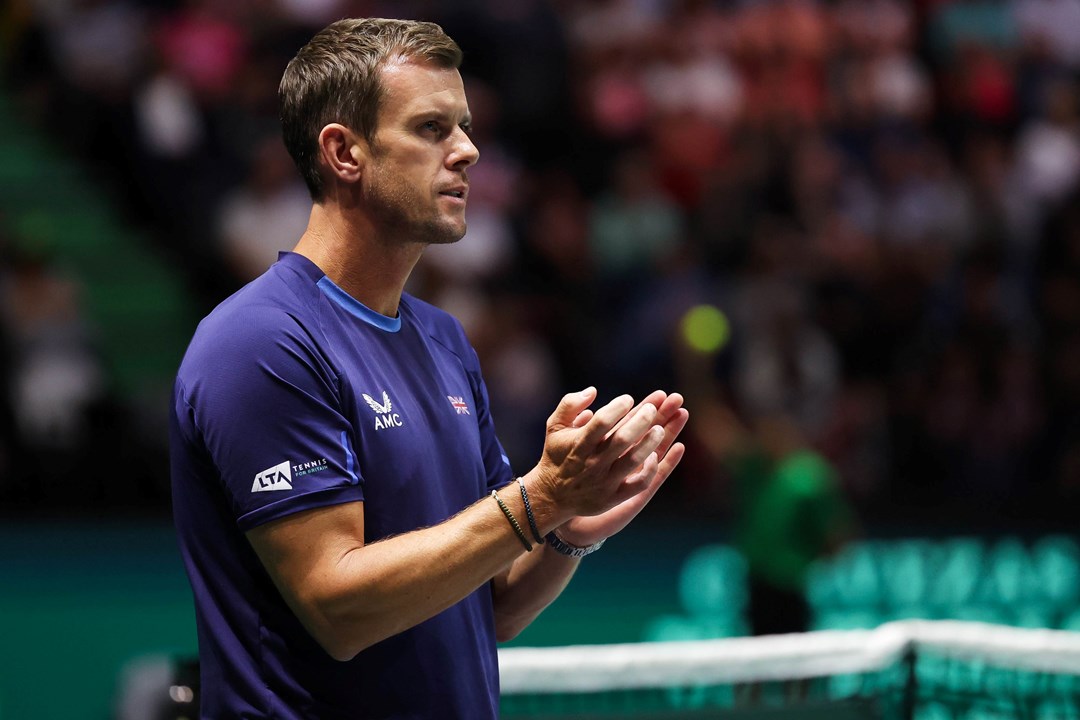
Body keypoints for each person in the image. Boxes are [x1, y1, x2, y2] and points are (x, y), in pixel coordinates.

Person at [169, 17, 688, 719]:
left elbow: (491, 605)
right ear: (344, 152)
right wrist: (538, 500)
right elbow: (339, 608)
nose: (469, 151)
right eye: (432, 128)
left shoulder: (444, 339)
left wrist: (565, 529)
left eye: (466, 126)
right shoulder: (259, 341)